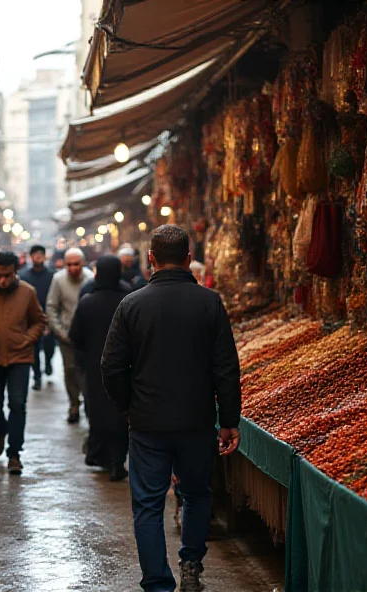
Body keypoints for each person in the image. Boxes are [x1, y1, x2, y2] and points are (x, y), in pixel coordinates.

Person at [101, 225, 241, 592]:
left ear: (150, 259)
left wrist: (128, 405)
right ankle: (191, 564)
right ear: (189, 259)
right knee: (196, 494)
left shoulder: (131, 304)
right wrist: (228, 419)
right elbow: (226, 366)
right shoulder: (210, 303)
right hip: (195, 420)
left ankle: (157, 583)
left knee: (147, 504)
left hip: (147, 422)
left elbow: (111, 367)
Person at [0, 251, 45, 475]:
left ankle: (14, 453)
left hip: (20, 357)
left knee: (17, 404)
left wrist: (28, 339)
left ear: (15, 272)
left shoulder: (27, 292)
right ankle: (1, 430)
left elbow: (38, 321)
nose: (2, 280)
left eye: (7, 275)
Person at [69, 255, 130, 482]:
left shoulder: (87, 301)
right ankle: (117, 460)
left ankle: (101, 456)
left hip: (96, 367)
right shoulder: (129, 299)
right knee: (120, 413)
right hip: (124, 367)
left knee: (98, 412)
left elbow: (75, 336)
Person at [46, 248, 93, 423]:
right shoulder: (58, 279)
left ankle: (88, 403)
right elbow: (51, 307)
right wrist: (60, 332)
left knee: (87, 372)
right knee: (70, 371)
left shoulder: (90, 278)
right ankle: (74, 403)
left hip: (88, 337)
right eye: (69, 265)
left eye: (76, 264)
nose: (73, 268)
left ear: (82, 263)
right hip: (67, 335)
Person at [19, 245, 55, 390]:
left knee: (49, 345)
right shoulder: (24, 275)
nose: (38, 257)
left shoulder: (52, 275)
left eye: (41, 254)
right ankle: (37, 376)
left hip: (48, 314)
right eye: (35, 255)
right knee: (33, 348)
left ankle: (48, 362)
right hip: (30, 317)